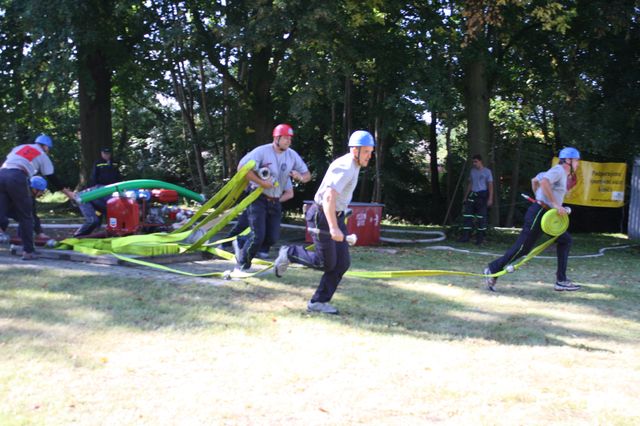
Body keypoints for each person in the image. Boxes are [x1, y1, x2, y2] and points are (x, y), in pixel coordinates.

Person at [273, 130, 375, 315]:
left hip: (334, 215)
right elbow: (328, 197)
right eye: (366, 151)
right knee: (325, 263)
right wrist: (334, 227)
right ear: (355, 150)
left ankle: (318, 302)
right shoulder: (345, 166)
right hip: (322, 216)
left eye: (371, 151)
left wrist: (342, 212)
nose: (370, 155)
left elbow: (338, 196)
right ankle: (289, 253)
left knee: (341, 264)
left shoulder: (355, 164)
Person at [484, 147, 582, 292]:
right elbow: (544, 182)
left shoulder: (560, 173)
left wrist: (540, 197)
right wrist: (551, 203)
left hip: (547, 215)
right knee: (523, 249)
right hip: (539, 213)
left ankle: (561, 280)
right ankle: (493, 268)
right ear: (568, 160)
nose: (578, 163)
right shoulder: (559, 170)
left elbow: (535, 180)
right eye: (576, 160)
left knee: (565, 240)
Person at [234, 124, 311, 271]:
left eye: (290, 139)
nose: (288, 141)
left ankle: (242, 241)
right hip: (258, 197)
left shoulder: (292, 155)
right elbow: (242, 168)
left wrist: (299, 176)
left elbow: (307, 176)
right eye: (285, 138)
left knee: (273, 238)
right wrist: (262, 183)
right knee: (258, 236)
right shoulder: (262, 151)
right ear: (276, 138)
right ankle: (242, 264)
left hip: (275, 201)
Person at [0, 134, 57, 260]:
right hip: (16, 176)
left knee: (3, 213)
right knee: (26, 218)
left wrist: (40, 232)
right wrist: (66, 191)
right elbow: (52, 175)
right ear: (46, 147)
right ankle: (28, 252)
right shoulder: (41, 154)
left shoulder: (20, 147)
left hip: (1, 174)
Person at [0, 176, 51, 244]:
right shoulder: (14, 192)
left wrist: (40, 233)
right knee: (4, 220)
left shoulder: (30, 198)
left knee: (28, 219)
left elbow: (33, 215)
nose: (41, 194)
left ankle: (21, 241)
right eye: (41, 191)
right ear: (34, 189)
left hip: (11, 210)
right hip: (3, 208)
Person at [458, 154, 493, 245]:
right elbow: (470, 184)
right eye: (473, 162)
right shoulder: (472, 171)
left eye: (476, 162)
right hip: (472, 195)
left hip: (482, 195)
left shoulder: (487, 172)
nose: (474, 163)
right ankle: (465, 237)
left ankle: (480, 239)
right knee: (468, 216)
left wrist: (490, 198)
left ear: (480, 161)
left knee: (481, 218)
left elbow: (490, 185)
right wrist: (466, 197)